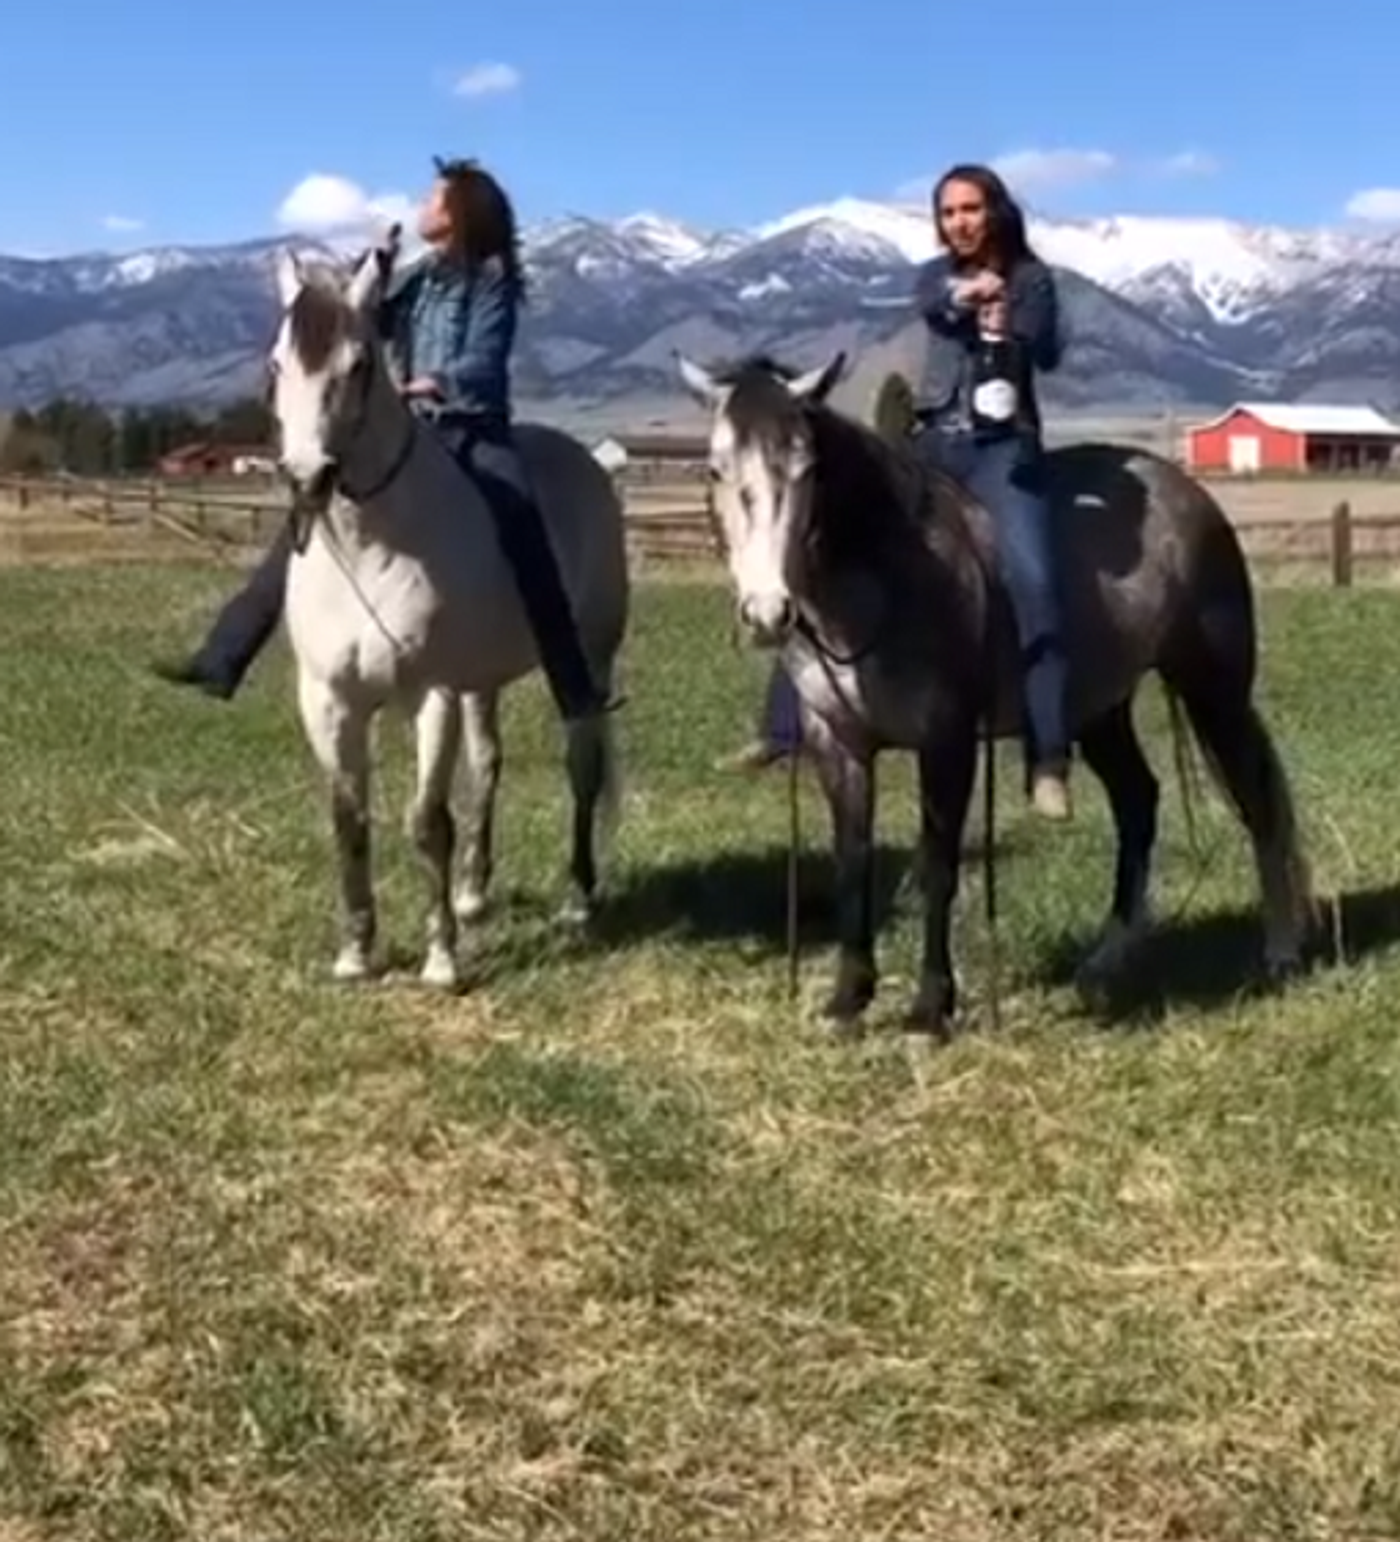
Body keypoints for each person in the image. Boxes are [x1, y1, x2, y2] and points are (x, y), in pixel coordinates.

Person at [151, 156, 613, 726]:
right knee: (302, 527)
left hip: (474, 427)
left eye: (434, 198)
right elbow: (369, 323)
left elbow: (485, 357)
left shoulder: (490, 280)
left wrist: (437, 381)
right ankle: (224, 655)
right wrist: (381, 264)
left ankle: (573, 690)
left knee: (524, 528)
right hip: (417, 428)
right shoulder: (422, 276)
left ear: (461, 213)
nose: (422, 205)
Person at [720, 162, 1072, 822]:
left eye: (970, 209)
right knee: (821, 552)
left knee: (1033, 577)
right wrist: (968, 297)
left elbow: (1047, 349)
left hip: (1003, 450)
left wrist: (1010, 319)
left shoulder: (1034, 281)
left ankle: (1049, 752)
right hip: (934, 442)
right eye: (948, 213)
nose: (959, 222)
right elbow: (932, 301)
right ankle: (784, 725)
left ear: (994, 211)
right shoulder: (937, 277)